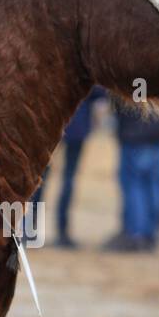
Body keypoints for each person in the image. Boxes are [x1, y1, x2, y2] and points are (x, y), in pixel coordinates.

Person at [29, 87, 104, 247]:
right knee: (68, 178)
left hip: (52, 122)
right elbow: (98, 96)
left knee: (42, 177)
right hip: (77, 124)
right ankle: (62, 231)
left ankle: (30, 230)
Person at [105, 101, 159, 252]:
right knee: (154, 184)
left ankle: (137, 234)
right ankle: (152, 232)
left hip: (136, 134)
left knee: (135, 185)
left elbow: (132, 94)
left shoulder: (135, 80)